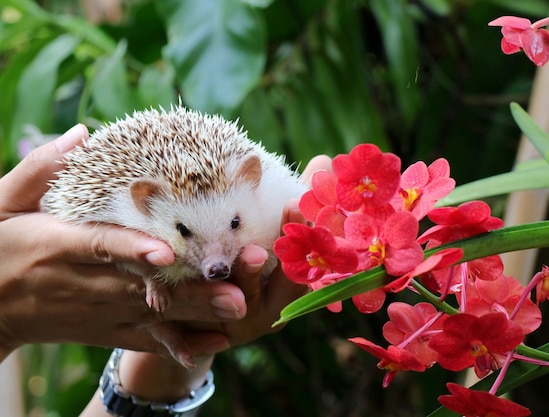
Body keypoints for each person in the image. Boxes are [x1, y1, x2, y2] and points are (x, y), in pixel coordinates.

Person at [0, 124, 331, 416]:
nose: (216, 260)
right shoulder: (121, 216)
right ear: (145, 203)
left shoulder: (269, 200)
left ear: (251, 180)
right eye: (185, 232)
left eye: (234, 224)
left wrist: (165, 364)